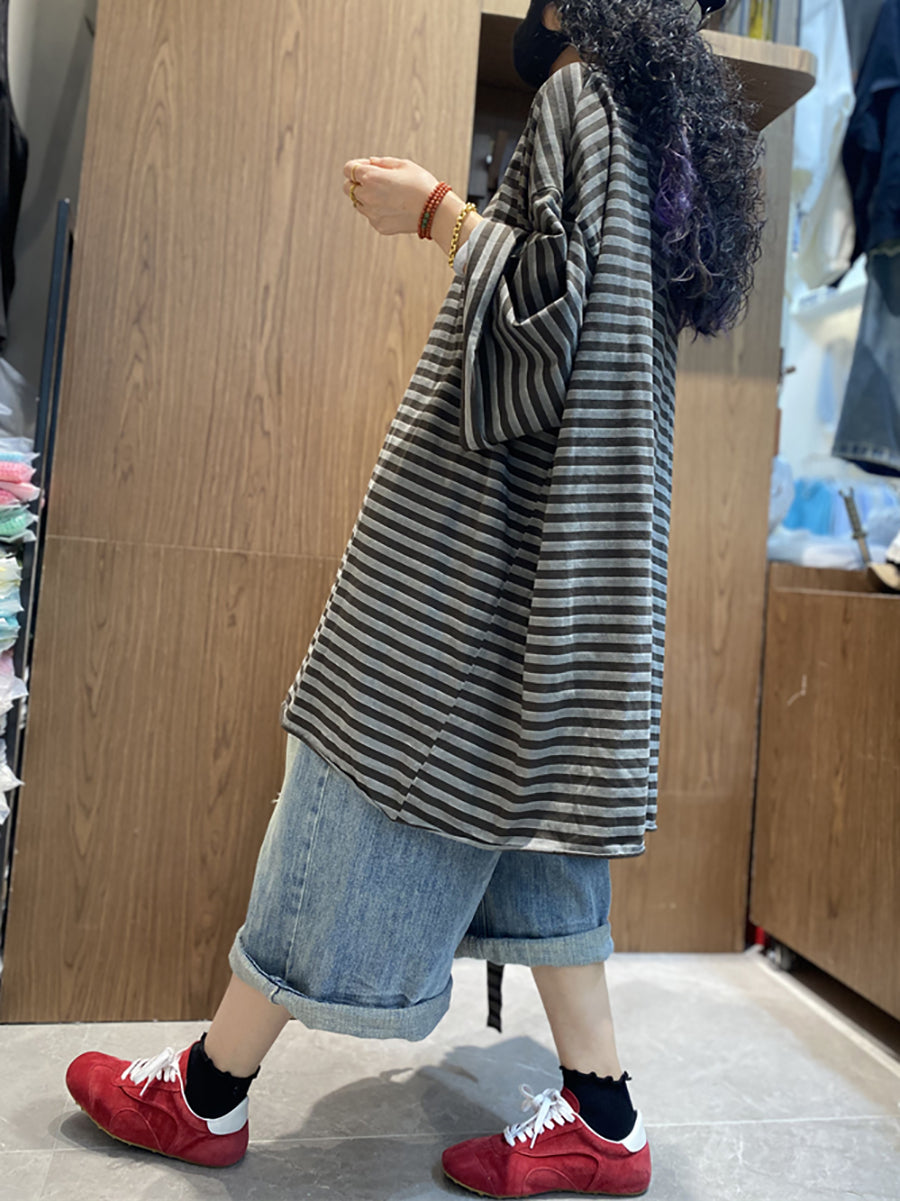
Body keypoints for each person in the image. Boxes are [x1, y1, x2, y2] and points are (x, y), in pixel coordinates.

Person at [64, 1, 762, 1196]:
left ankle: (208, 1092)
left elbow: (544, 326)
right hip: (586, 549)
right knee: (540, 814)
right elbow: (597, 321)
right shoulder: (664, 120)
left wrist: (436, 211)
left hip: (496, 539)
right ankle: (604, 1117)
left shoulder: (583, 96)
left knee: (359, 759)